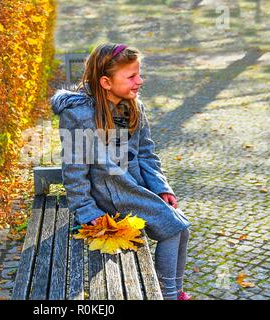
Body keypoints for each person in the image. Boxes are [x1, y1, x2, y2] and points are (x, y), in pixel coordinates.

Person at [50, 43, 191, 300]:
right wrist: (86, 210)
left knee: (181, 227)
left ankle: (173, 291)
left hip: (133, 186)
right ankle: (167, 296)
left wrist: (161, 187)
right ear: (106, 82)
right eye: (131, 76)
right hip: (108, 198)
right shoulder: (80, 115)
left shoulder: (133, 105)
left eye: (138, 74)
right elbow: (74, 170)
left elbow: (146, 153)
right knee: (173, 228)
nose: (140, 81)